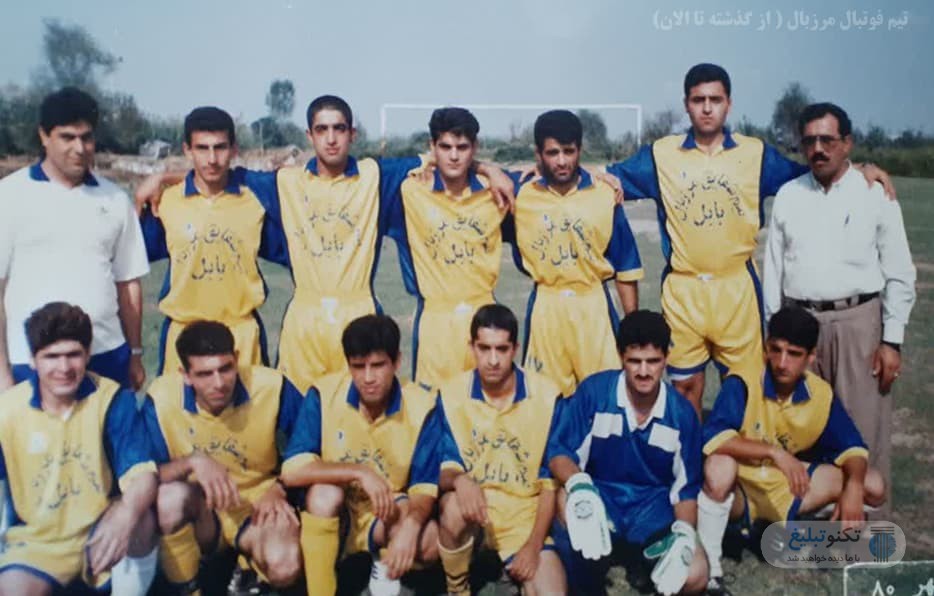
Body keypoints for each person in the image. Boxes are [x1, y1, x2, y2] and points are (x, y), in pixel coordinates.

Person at [136, 95, 515, 393]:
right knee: (295, 418)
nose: (331, 138)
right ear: (310, 135)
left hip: (358, 311)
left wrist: (488, 169)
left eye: (339, 129)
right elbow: (218, 173)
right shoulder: (285, 182)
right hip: (305, 319)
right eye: (322, 129)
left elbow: (447, 158)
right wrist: (165, 177)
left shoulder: (376, 176)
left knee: (362, 410)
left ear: (353, 133)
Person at [605, 64, 894, 414]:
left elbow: (811, 171)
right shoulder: (661, 154)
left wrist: (859, 168)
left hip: (737, 288)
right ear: (686, 105)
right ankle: (692, 450)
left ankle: (739, 449)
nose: (707, 108)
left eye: (715, 100)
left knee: (745, 388)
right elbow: (604, 179)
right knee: (685, 387)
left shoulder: (755, 154)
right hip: (684, 289)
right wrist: (566, 176)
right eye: (698, 100)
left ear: (729, 104)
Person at [763, 102, 915, 519]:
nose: (818, 149)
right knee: (805, 427)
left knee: (862, 430)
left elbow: (900, 271)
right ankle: (817, 524)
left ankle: (868, 531)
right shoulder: (790, 195)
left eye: (827, 140)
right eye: (809, 141)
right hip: (800, 324)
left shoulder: (874, 193)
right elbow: (773, 270)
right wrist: (774, 336)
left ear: (847, 143)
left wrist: (892, 340)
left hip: (858, 322)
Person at [697, 306, 887, 595]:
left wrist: (853, 488)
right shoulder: (743, 380)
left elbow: (853, 448)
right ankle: (711, 569)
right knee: (718, 466)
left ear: (811, 357)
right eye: (776, 350)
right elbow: (713, 437)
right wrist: (775, 453)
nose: (782, 363)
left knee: (871, 484)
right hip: (743, 488)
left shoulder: (820, 394)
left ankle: (803, 537)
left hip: (786, 487)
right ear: (766, 347)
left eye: (794, 354)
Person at [0, 302, 159, 596]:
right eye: (51, 357)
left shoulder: (111, 399)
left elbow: (143, 475)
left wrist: (125, 513)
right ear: (32, 361)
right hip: (38, 542)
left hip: (101, 530)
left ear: (87, 354)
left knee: (143, 517)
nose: (64, 368)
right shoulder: (8, 410)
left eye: (73, 354)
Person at [547, 310, 707, 595]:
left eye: (653, 361)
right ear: (621, 356)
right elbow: (560, 453)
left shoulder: (681, 414)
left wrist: (684, 534)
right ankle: (585, 580)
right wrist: (580, 484)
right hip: (602, 500)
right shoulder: (596, 392)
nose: (644, 371)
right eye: (634, 361)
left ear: (666, 359)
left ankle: (643, 562)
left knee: (695, 573)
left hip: (652, 511)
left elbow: (685, 492)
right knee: (566, 497)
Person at [0, 87, 149, 391]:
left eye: (86, 137)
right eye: (67, 137)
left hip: (106, 355)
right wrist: (2, 371)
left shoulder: (115, 199)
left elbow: (128, 284)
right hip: (31, 360)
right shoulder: (9, 196)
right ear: (44, 136)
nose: (79, 148)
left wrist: (134, 353)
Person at [280, 314, 441, 596]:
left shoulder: (422, 404)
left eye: (378, 366)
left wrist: (411, 526)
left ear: (397, 362)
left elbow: (424, 486)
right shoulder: (324, 393)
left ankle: (381, 558)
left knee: (430, 541)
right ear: (348, 365)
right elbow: (291, 470)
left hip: (384, 511)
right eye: (358, 366)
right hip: (336, 512)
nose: (368, 378)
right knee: (323, 494)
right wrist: (359, 472)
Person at [142, 320, 304, 595]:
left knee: (285, 566)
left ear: (237, 360)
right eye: (205, 374)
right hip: (201, 510)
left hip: (257, 504)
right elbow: (144, 474)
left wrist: (280, 488)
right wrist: (192, 461)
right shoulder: (161, 399)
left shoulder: (271, 387)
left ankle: (249, 569)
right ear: (185, 375)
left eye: (225, 369)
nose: (219, 383)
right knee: (168, 499)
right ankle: (189, 587)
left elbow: (310, 447)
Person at [140, 106, 289, 374]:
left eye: (220, 148)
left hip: (241, 334)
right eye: (202, 148)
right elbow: (131, 257)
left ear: (234, 150)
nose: (212, 159)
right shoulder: (166, 202)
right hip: (184, 335)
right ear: (187, 150)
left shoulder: (254, 197)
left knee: (251, 402)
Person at [509, 110, 643, 397]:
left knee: (604, 397)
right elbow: (463, 168)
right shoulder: (520, 195)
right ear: (538, 154)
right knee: (544, 400)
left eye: (569, 151)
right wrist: (491, 171)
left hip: (592, 305)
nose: (561, 161)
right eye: (552, 153)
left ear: (580, 150)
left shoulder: (605, 193)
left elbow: (625, 264)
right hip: (547, 306)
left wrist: (633, 329)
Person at [435, 304, 566, 595]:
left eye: (502, 349)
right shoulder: (451, 394)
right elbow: (441, 467)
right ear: (472, 347)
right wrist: (459, 479)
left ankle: (516, 567)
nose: (493, 360)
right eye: (484, 348)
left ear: (515, 349)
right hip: (475, 511)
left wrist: (533, 546)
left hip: (524, 518)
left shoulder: (546, 395)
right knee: (453, 506)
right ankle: (457, 588)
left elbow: (549, 482)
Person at [386, 107, 518, 387]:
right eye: (445, 147)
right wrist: (484, 166)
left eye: (462, 147)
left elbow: (554, 174)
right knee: (434, 406)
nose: (454, 156)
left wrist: (604, 174)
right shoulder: (411, 189)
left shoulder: (496, 190)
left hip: (484, 318)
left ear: (475, 147)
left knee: (486, 403)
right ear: (432, 147)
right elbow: (368, 169)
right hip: (436, 322)